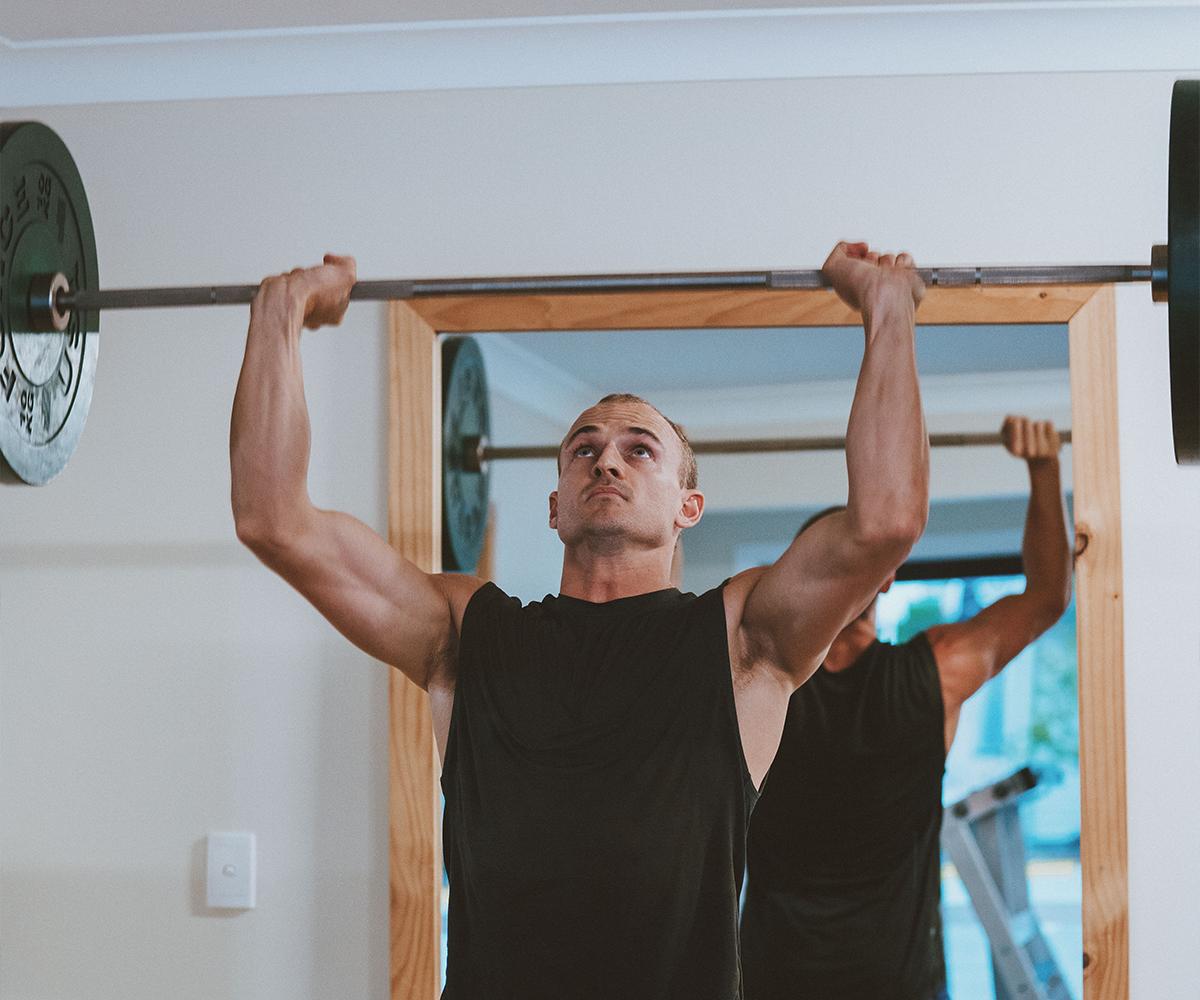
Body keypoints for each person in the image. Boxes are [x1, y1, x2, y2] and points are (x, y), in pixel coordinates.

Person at [228, 242, 929, 999]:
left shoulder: (738, 640)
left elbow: (885, 522)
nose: (607, 462)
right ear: (556, 505)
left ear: (688, 507)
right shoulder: (466, 634)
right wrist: (281, 309)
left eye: (639, 450)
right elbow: (274, 520)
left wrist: (887, 309)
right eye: (584, 449)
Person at [738, 416, 1073, 1000]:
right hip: (835, 979)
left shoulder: (752, 679)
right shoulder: (936, 671)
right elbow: (1046, 597)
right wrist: (1043, 471)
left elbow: (1046, 598)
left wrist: (1045, 472)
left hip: (807, 978)